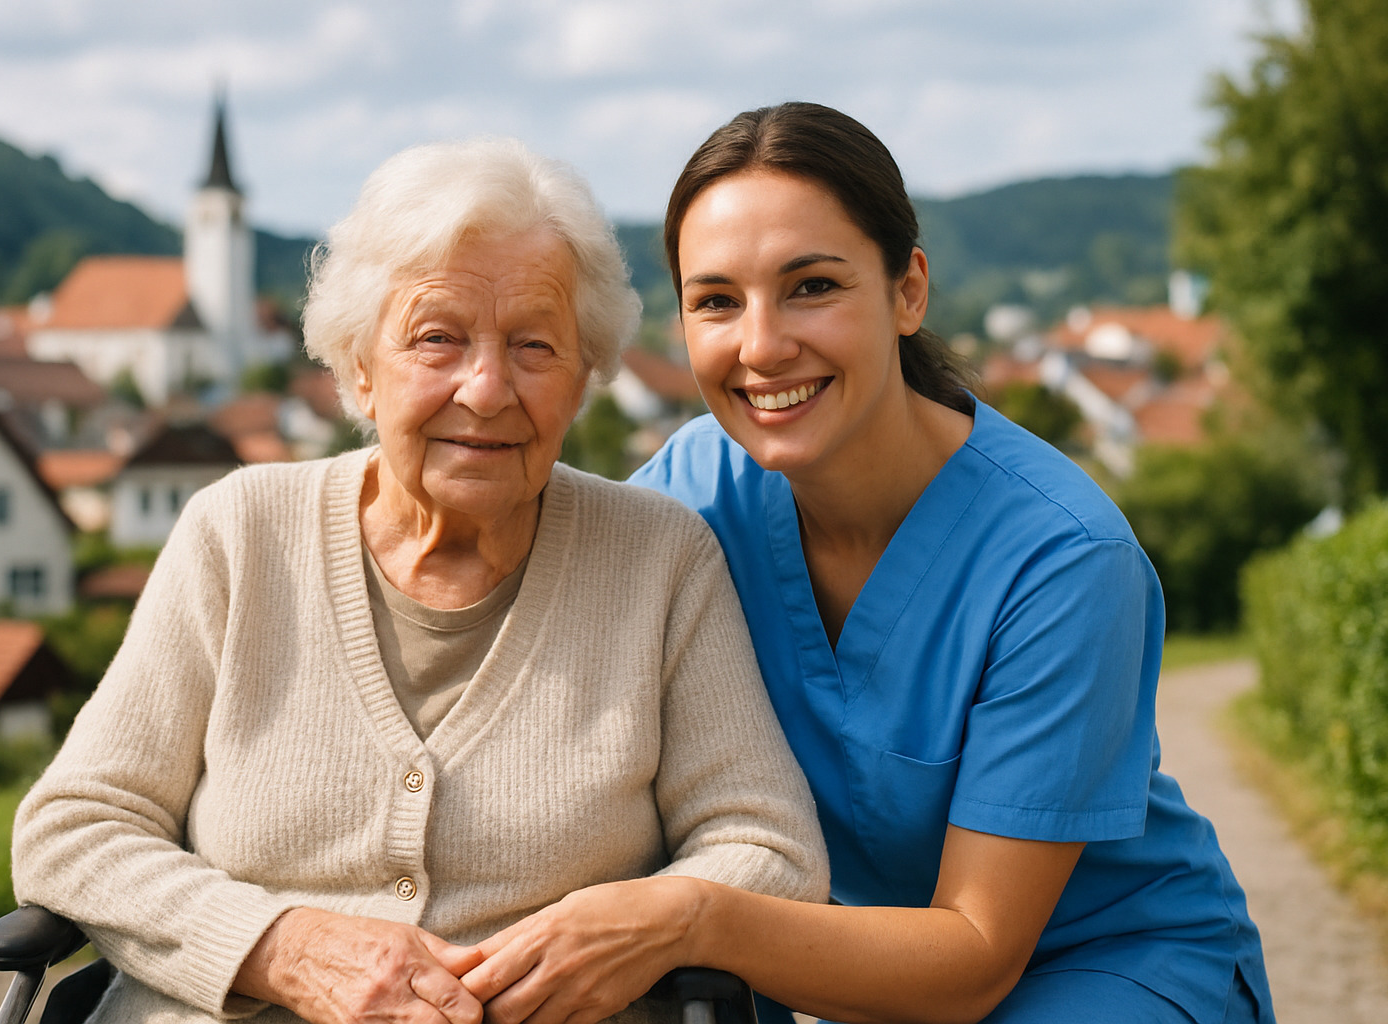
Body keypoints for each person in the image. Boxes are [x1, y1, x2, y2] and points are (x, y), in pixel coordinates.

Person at [458, 103, 1274, 1024]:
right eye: (717, 300)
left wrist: (691, 918)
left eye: (811, 286)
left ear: (907, 291)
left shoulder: (1063, 562)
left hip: (1102, 967)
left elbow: (973, 954)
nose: (762, 346)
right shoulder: (687, 493)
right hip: (864, 971)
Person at [9, 136, 828, 1024]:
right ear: (358, 368)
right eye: (437, 339)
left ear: (584, 375)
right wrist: (277, 946)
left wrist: (637, 924)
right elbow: (74, 828)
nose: (485, 388)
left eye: (534, 345)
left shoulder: (660, 558)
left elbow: (772, 847)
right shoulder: (237, 533)